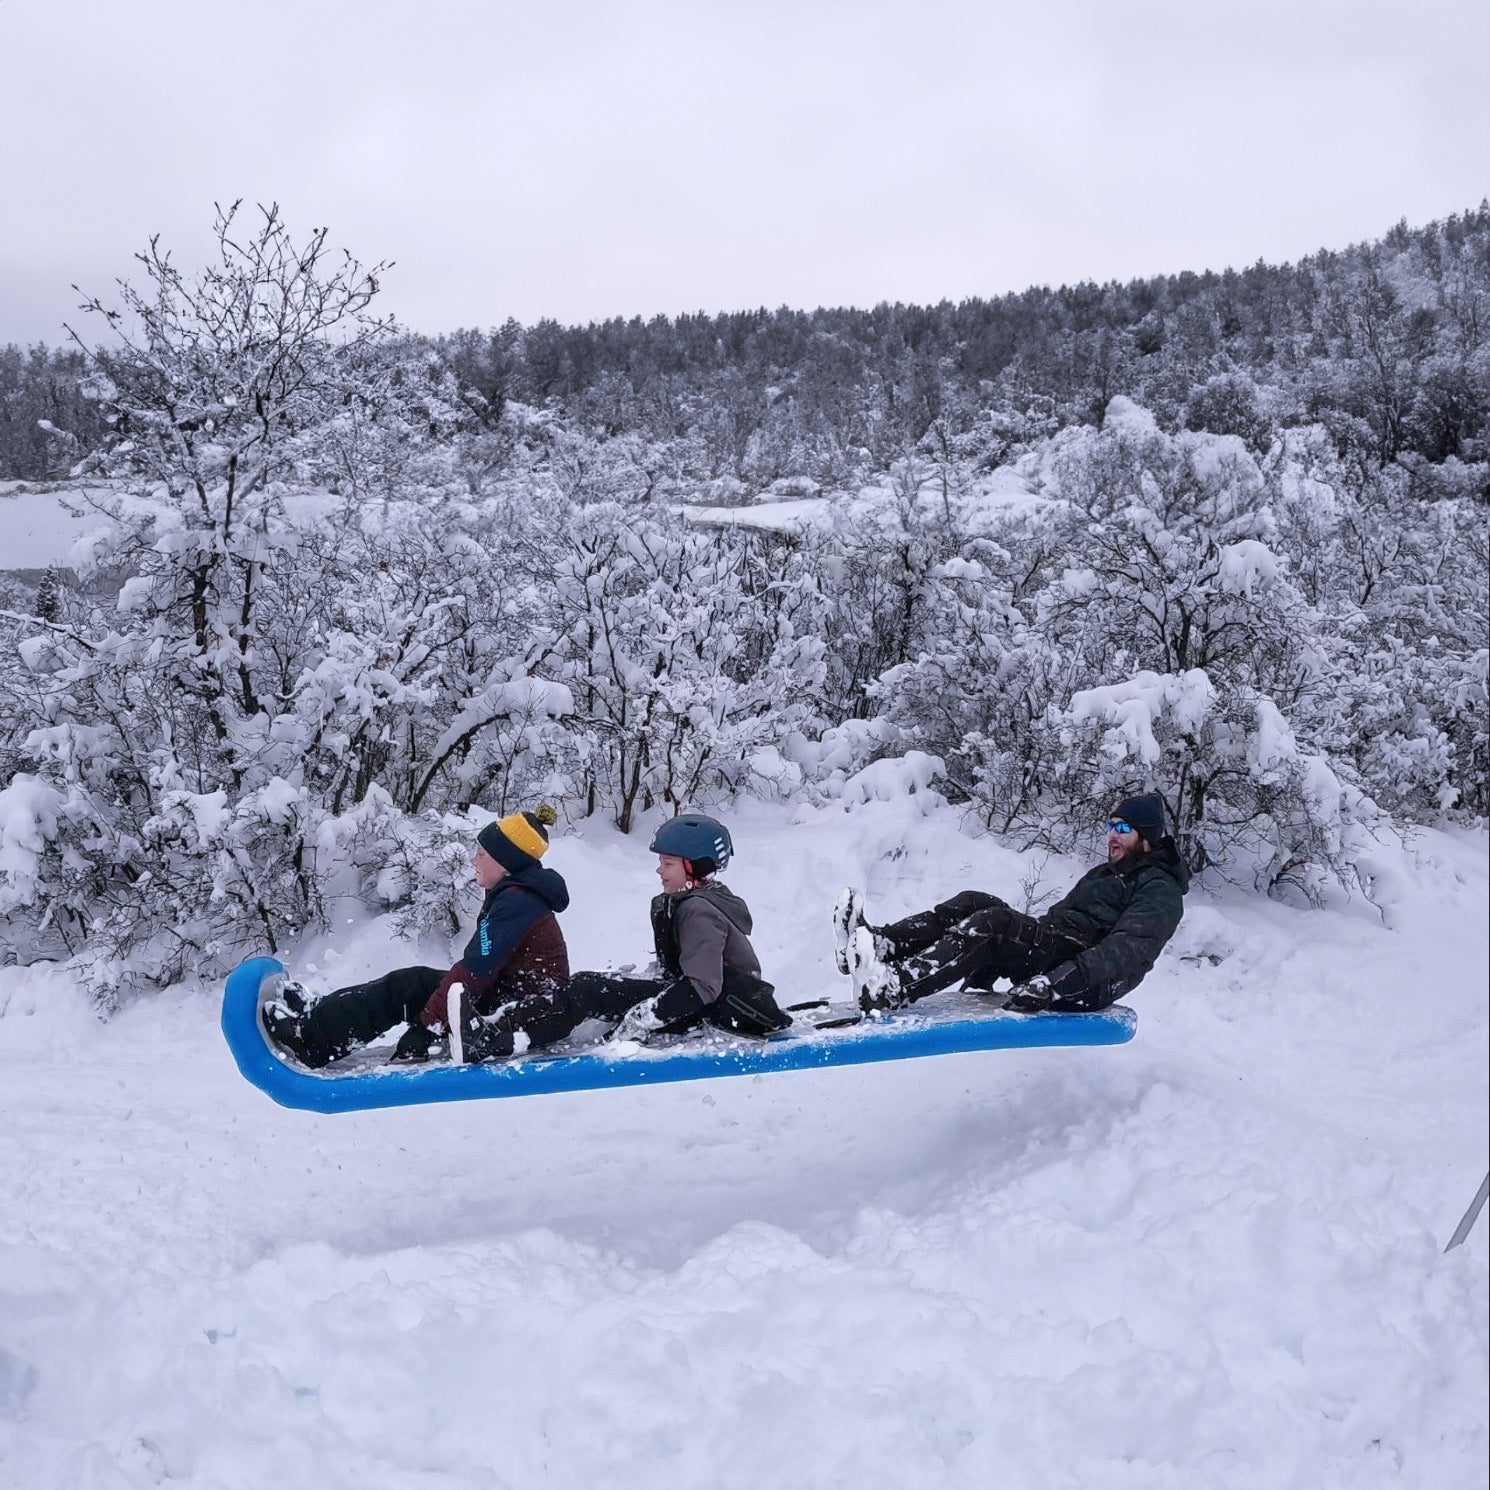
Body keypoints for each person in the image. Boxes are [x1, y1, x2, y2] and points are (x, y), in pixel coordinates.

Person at [450, 812, 791, 1062]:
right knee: (589, 986)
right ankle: (498, 1025)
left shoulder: (698, 910)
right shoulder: (679, 903)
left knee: (586, 989)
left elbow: (703, 986)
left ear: (694, 868)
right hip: (699, 1002)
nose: (659, 870)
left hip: (715, 1009)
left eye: (668, 863)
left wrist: (641, 1018)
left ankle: (500, 1042)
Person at [263, 806, 569, 1067]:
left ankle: (311, 1039)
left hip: (519, 1011)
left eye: (481, 854)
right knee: (409, 983)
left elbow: (476, 967)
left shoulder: (517, 901)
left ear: (506, 864)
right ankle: (318, 1016)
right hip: (508, 998)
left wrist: (429, 1025)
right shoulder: (515, 895)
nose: (474, 860)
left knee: (406, 987)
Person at [837, 792, 1188, 1014]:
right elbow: (1060, 922)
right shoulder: (1106, 874)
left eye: (1125, 829)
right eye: (1112, 826)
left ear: (1147, 840)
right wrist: (1003, 955)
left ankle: (892, 988)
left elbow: (1126, 951)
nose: (1114, 834)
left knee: (996, 925)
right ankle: (881, 946)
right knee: (975, 904)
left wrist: (1053, 984)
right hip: (1061, 956)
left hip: (1085, 982)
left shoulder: (1160, 889)